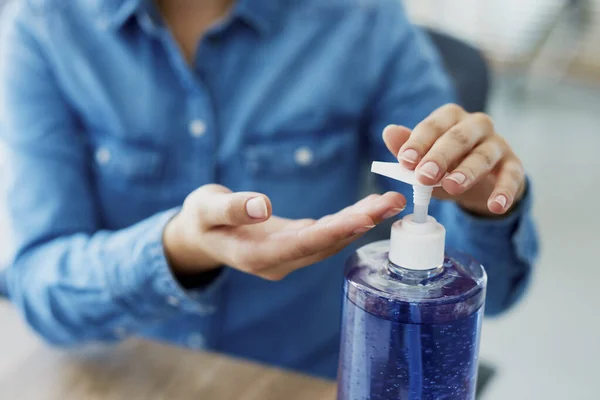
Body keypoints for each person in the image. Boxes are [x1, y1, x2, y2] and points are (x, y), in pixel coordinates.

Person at [0, 0, 538, 379]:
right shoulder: (43, 25)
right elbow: (39, 287)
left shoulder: (362, 19)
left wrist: (480, 207)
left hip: (312, 378)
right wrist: (178, 248)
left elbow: (495, 290)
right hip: (129, 373)